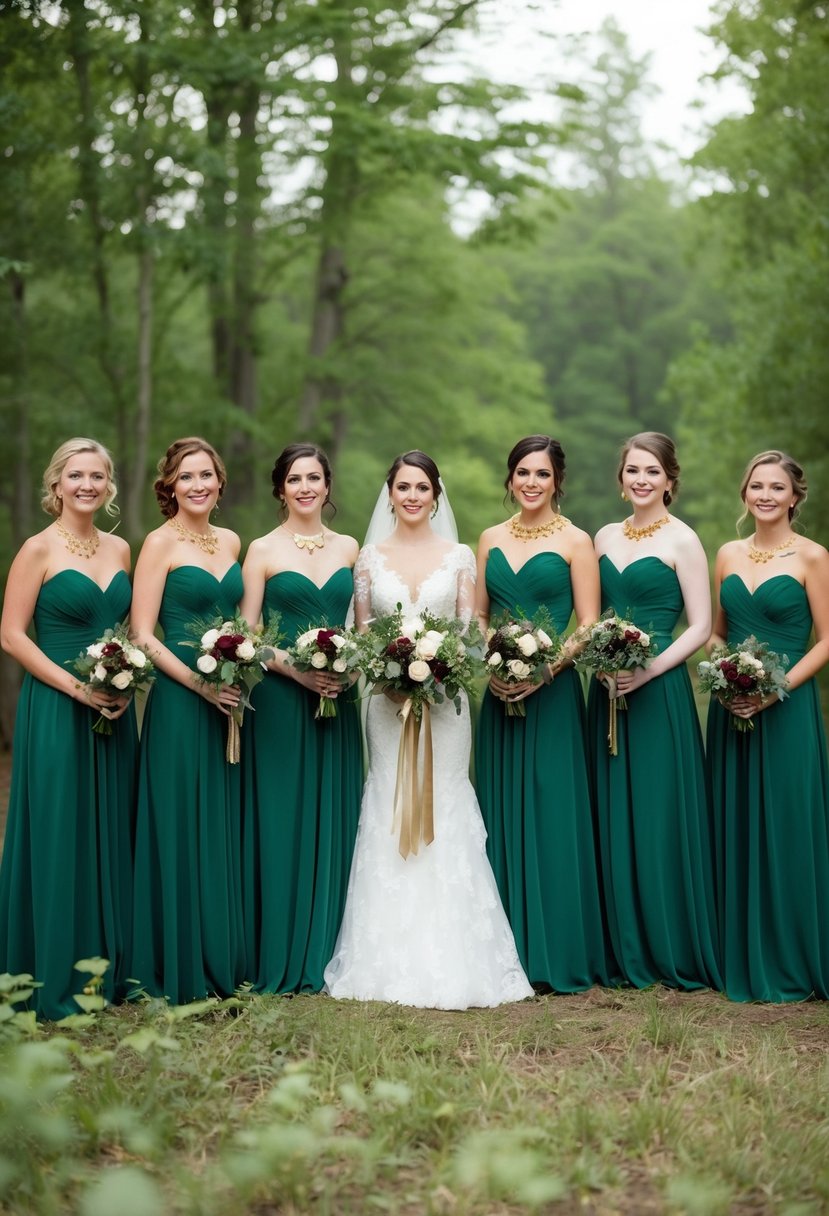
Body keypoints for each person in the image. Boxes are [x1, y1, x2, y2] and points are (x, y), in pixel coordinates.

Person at [324, 451, 532, 1009]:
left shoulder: (460, 556)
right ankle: (383, 955)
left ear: (436, 494)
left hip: (446, 706)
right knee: (389, 801)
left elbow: (469, 633)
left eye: (422, 486)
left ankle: (457, 953)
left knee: (446, 801)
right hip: (385, 708)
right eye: (403, 486)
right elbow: (363, 633)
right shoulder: (368, 558)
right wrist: (388, 680)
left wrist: (438, 672)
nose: (412, 495)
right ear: (388, 493)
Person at [0, 438, 137, 1019]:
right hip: (58, 706)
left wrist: (124, 683)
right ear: (57, 484)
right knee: (59, 830)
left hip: (115, 705)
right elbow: (11, 635)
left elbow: (126, 630)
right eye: (76, 475)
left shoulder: (122, 549)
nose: (87, 485)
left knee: (110, 829)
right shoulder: (37, 549)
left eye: (98, 476)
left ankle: (106, 969)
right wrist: (78, 688)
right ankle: (50, 973)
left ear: (109, 486)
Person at [475, 436, 615, 992]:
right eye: (522, 473)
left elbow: (587, 620)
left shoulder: (577, 541)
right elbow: (480, 613)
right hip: (499, 689)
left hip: (552, 693)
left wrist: (542, 669)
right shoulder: (489, 539)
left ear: (558, 481)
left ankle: (556, 949)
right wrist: (495, 658)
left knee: (553, 810)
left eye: (542, 474)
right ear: (509, 479)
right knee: (501, 809)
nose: (531, 482)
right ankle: (502, 950)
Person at [588, 432, 721, 990]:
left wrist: (650, 669)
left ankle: (671, 945)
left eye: (652, 472)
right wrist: (600, 661)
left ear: (669, 479)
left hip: (659, 688)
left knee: (658, 814)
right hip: (608, 691)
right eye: (632, 471)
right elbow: (593, 617)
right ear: (621, 479)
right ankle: (621, 948)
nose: (641, 480)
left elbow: (702, 626)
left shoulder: (684, 540)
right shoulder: (602, 536)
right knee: (611, 812)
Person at [707, 450, 829, 1002]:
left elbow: (826, 640)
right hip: (730, 707)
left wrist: (773, 689)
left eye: (776, 487)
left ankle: (791, 955)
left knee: (785, 824)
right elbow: (716, 632)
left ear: (795, 496)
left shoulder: (813, 557)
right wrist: (726, 676)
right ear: (745, 493)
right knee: (731, 822)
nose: (765, 495)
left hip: (786, 707)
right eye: (756, 486)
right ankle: (733, 951)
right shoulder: (728, 554)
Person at [240, 443, 362, 992]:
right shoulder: (261, 550)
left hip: (337, 699)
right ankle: (281, 947)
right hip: (282, 703)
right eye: (295, 479)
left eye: (314, 477)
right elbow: (244, 638)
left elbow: (362, 628)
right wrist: (295, 670)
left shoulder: (349, 546)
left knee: (334, 818)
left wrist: (350, 670)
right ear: (280, 488)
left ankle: (331, 947)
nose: (306, 487)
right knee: (283, 819)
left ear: (328, 486)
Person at [129, 437, 246, 1003]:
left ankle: (219, 953)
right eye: (185, 476)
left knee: (217, 820)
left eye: (206, 475)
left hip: (226, 699)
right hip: (180, 701)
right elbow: (142, 634)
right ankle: (175, 961)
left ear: (220, 483)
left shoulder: (230, 540)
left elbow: (240, 626)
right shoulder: (158, 543)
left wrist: (234, 672)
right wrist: (199, 684)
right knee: (179, 821)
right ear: (169, 486)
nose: (197, 485)